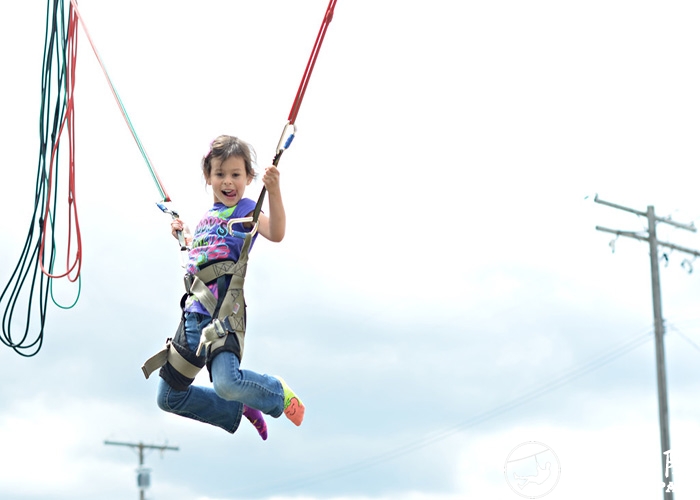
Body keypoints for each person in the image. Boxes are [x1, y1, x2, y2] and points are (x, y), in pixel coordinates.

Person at [156, 134, 305, 440]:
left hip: (223, 315)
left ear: (249, 177)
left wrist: (274, 192)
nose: (228, 182)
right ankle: (240, 406)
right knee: (168, 397)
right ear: (208, 177)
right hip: (193, 317)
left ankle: (275, 394)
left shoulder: (246, 210)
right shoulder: (206, 219)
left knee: (226, 383)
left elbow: (276, 232)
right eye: (220, 174)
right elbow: (200, 254)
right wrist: (183, 236)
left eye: (236, 175)